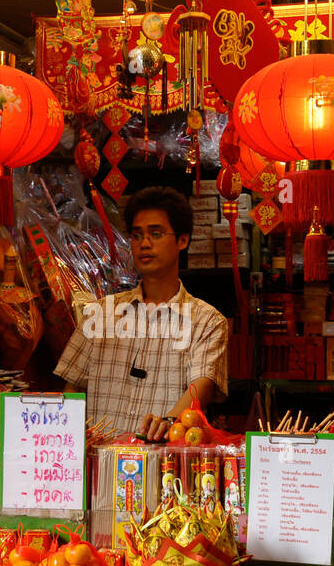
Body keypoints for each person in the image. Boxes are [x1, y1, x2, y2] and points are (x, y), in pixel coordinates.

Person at [54, 186, 229, 439]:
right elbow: (71, 388)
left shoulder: (207, 321)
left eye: (156, 234)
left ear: (183, 240)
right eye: (137, 236)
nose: (144, 244)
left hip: (162, 464)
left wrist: (170, 421)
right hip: (97, 461)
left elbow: (200, 386)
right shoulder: (101, 314)